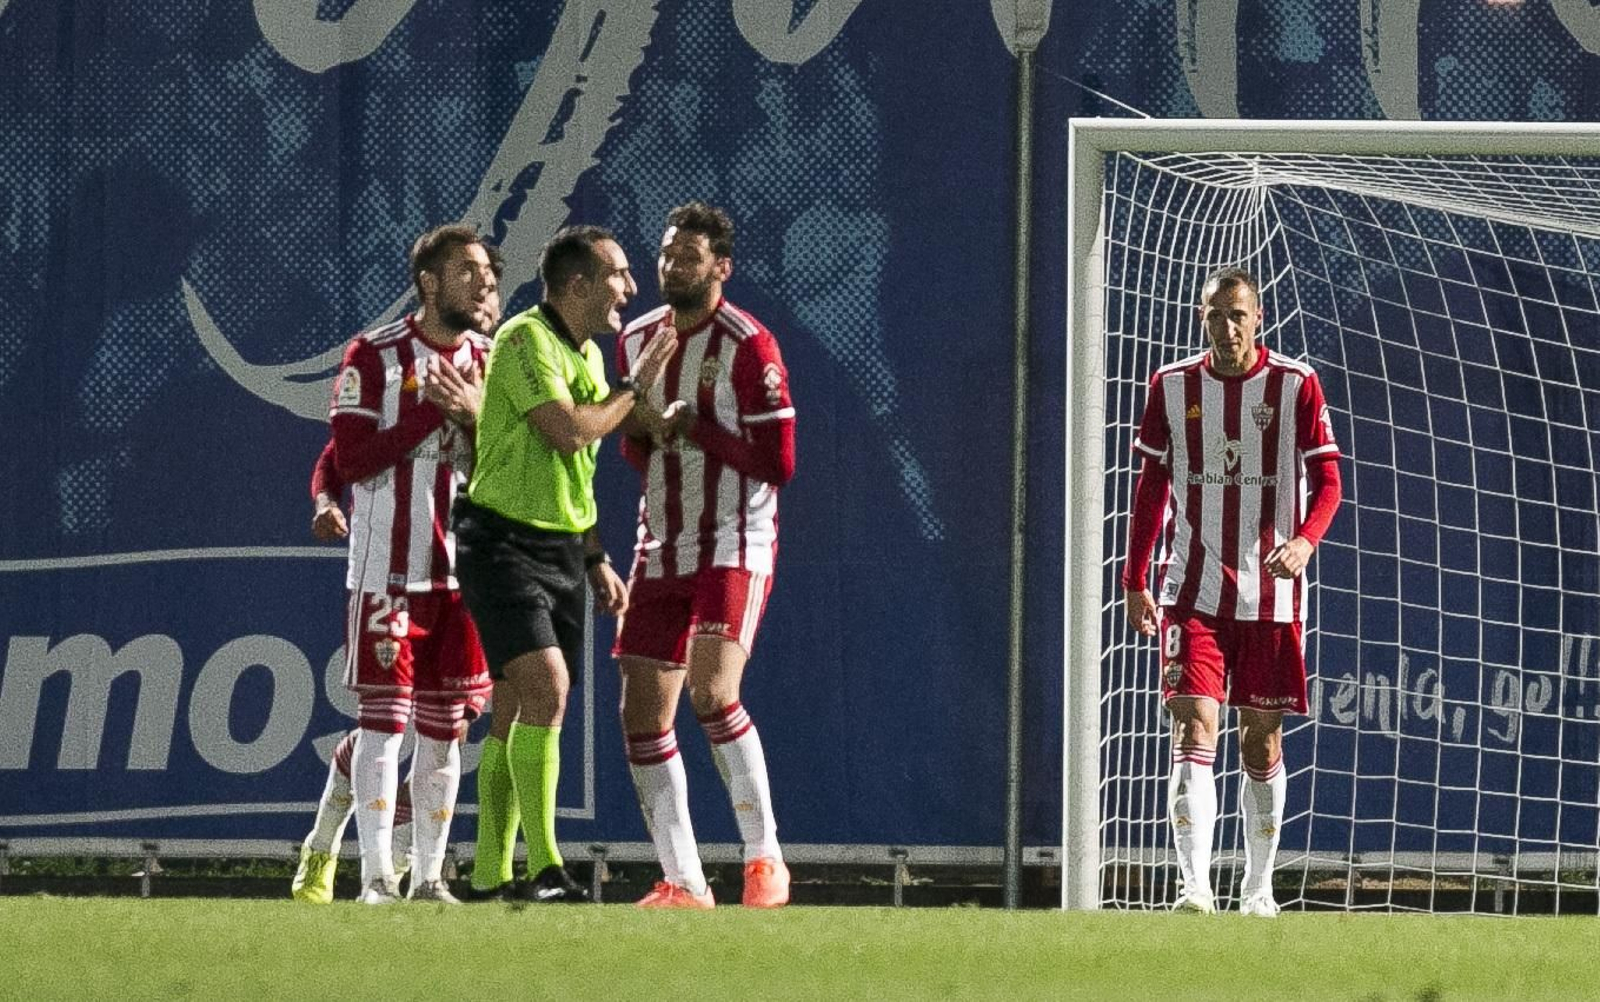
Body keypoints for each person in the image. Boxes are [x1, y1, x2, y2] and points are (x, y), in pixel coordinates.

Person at [453, 224, 677, 903]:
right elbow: (569, 431)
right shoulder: (524, 338)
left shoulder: (584, 356)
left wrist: (596, 557)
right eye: (619, 275)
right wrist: (635, 391)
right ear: (577, 284)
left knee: (517, 706)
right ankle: (547, 867)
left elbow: (574, 476)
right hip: (499, 540)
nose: (631, 290)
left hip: (558, 547)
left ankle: (489, 872)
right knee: (548, 689)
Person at [1122, 266, 1342, 917]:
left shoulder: (1296, 384)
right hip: (1192, 593)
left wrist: (1304, 542)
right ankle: (1194, 887)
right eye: (1216, 315)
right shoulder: (1171, 386)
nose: (1228, 327)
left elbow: (1329, 481)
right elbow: (1151, 489)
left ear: (1258, 318)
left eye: (1238, 315)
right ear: (1202, 319)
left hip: (1270, 599)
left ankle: (1258, 889)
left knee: (1261, 743)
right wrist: (1135, 578)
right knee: (1193, 724)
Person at [290, 252, 501, 904]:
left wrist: (475, 414)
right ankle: (377, 879)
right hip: (387, 572)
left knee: (446, 731)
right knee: (385, 724)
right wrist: (432, 415)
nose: (483, 285)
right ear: (431, 281)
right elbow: (345, 455)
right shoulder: (374, 356)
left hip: (464, 578)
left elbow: (515, 457)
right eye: (469, 272)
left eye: (488, 277)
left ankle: (429, 879)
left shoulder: (491, 362)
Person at [613, 201, 797, 910]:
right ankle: (683, 879)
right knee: (641, 716)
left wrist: (702, 432)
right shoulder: (636, 340)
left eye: (686, 256)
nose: (670, 267)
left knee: (713, 694)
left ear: (720, 267)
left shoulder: (749, 345)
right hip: (659, 543)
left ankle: (763, 859)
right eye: (665, 254)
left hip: (734, 541)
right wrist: (654, 432)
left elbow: (779, 463)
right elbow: (632, 445)